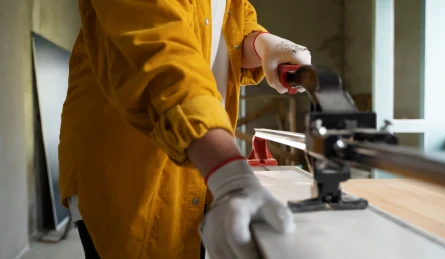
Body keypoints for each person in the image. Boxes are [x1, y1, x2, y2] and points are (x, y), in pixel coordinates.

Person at [58, 0, 311, 258]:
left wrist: (261, 43)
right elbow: (157, 52)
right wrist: (230, 175)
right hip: (129, 161)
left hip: (195, 158)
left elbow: (225, 24)